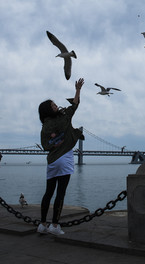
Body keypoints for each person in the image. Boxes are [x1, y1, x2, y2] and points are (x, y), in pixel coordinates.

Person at [37, 78, 84, 235]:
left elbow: (45, 146)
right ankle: (55, 226)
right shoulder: (63, 117)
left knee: (48, 192)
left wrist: (53, 144)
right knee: (61, 193)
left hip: (52, 161)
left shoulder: (44, 126)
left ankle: (42, 224)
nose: (56, 105)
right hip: (64, 159)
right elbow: (75, 105)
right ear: (49, 110)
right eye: (53, 105)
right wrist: (77, 89)